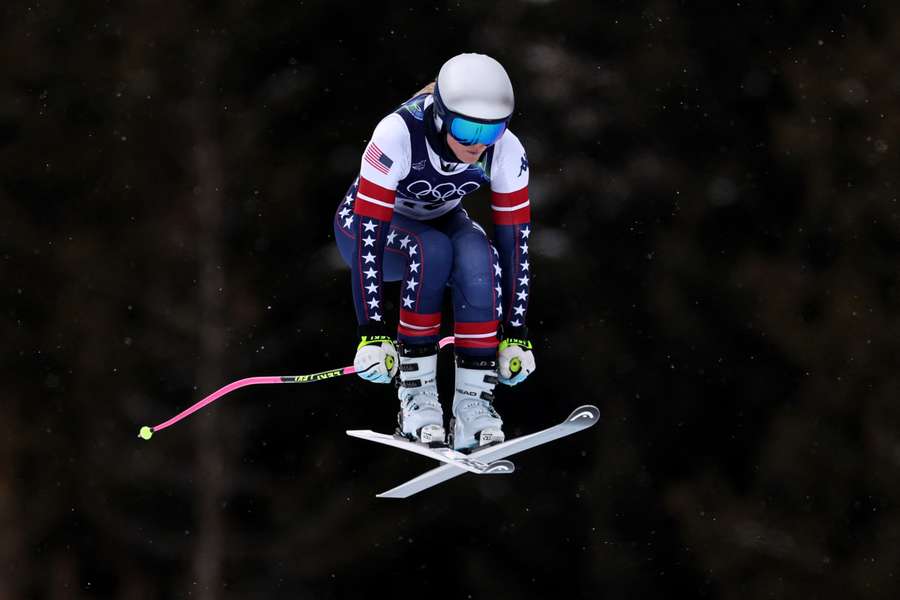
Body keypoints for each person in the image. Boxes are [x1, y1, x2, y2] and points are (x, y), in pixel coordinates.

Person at [333, 53, 536, 451]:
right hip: (364, 233)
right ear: (442, 116)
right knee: (433, 249)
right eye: (464, 129)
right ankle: (417, 400)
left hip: (441, 220)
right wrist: (371, 332)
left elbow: (516, 245)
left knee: (480, 254)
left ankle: (473, 408)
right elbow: (371, 234)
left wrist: (516, 334)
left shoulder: (507, 151)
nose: (477, 144)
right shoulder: (397, 134)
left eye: (490, 131)